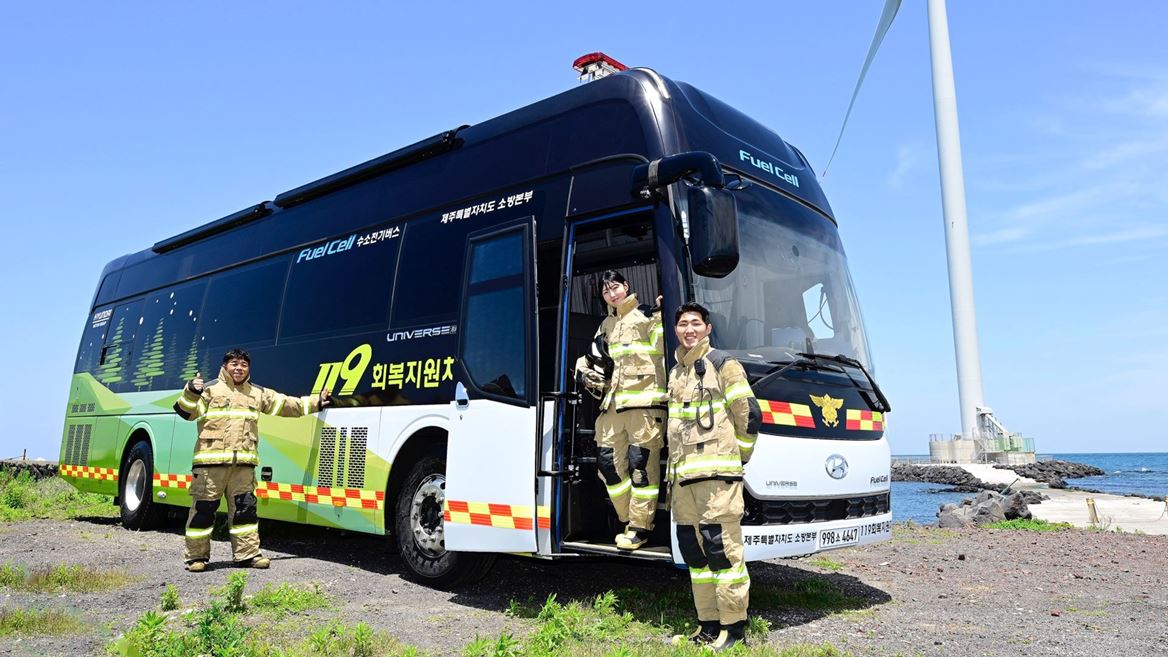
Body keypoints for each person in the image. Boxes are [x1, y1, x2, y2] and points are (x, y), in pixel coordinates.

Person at [173, 348, 332, 572]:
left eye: (244, 365)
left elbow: (286, 405)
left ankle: (247, 555)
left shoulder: (257, 393)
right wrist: (191, 391)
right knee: (203, 512)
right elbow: (186, 413)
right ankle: (196, 558)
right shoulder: (208, 390)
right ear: (225, 366)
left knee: (245, 512)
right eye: (234, 364)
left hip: (243, 467)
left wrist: (316, 402)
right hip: (210, 467)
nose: (239, 368)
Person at [667, 302, 761, 650]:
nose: (688, 329)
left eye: (695, 323)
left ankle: (733, 629)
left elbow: (749, 414)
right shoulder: (677, 372)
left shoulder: (724, 364)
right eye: (682, 324)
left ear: (707, 328)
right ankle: (707, 625)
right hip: (683, 482)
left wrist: (738, 456)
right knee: (695, 556)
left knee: (723, 554)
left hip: (717, 480)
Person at [574, 270, 667, 550]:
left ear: (626, 287)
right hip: (612, 404)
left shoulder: (649, 315)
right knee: (607, 466)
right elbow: (594, 357)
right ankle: (628, 519)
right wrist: (584, 371)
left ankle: (640, 528)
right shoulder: (606, 324)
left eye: (615, 287)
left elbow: (666, 354)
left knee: (641, 468)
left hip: (644, 405)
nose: (612, 293)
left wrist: (664, 314)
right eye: (606, 291)